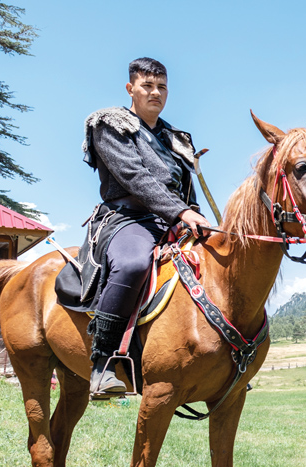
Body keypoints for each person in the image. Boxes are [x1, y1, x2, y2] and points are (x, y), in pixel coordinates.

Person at [80, 57, 210, 396]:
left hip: (173, 221)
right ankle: (103, 363)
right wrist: (181, 212)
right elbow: (135, 178)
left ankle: (222, 358)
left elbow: (186, 191)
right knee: (134, 263)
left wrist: (194, 216)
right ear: (131, 89)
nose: (156, 92)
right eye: (147, 86)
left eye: (162, 87)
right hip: (127, 219)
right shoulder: (109, 124)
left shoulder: (175, 138)